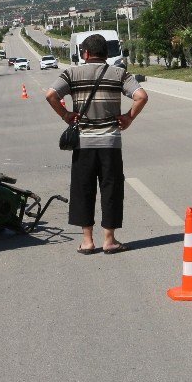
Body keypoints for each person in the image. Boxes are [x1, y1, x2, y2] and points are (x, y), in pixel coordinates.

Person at [46, 34, 148, 255]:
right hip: (110, 142)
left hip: (83, 143)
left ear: (85, 53)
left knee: (83, 189)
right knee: (111, 189)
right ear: (106, 53)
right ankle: (109, 240)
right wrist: (128, 117)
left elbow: (51, 94)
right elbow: (141, 96)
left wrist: (65, 114)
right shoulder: (119, 74)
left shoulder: (72, 73)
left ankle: (87, 241)